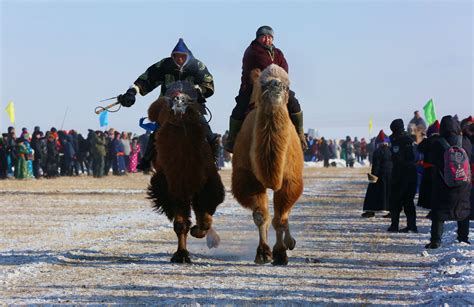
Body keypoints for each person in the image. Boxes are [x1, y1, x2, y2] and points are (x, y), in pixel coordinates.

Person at [117, 38, 216, 170]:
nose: (179, 59)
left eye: (182, 57)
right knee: (158, 130)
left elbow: (208, 85)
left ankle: (214, 155)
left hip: (192, 104)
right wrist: (131, 92)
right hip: (168, 105)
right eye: (176, 56)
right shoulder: (164, 65)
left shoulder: (198, 66)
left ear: (187, 56)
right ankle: (146, 160)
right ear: (172, 56)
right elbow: (147, 78)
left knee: (204, 126)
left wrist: (199, 90)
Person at [224, 25, 308, 153]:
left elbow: (284, 67)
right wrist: (274, 73)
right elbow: (266, 66)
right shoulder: (252, 51)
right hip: (254, 85)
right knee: (240, 107)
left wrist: (280, 77)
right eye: (264, 37)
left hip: (278, 85)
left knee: (294, 103)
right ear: (258, 38)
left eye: (270, 37)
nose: (267, 40)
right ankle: (232, 139)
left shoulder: (278, 53)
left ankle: (300, 135)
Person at [425, 115, 472, 249]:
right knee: (463, 210)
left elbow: (430, 160)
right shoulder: (466, 142)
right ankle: (463, 238)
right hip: (463, 182)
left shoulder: (438, 144)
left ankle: (436, 241)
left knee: (439, 212)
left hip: (443, 182)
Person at [387, 119, 418, 233]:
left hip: (401, 173)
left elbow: (397, 158)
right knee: (408, 201)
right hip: (411, 173)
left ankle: (395, 225)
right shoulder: (409, 139)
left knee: (395, 200)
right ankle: (411, 225)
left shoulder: (398, 141)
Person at [362, 130, 392, 218]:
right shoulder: (391, 151)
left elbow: (376, 166)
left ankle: (370, 211)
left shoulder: (377, 152)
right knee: (389, 193)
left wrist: (373, 176)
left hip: (379, 175)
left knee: (372, 194)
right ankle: (392, 211)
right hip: (390, 175)